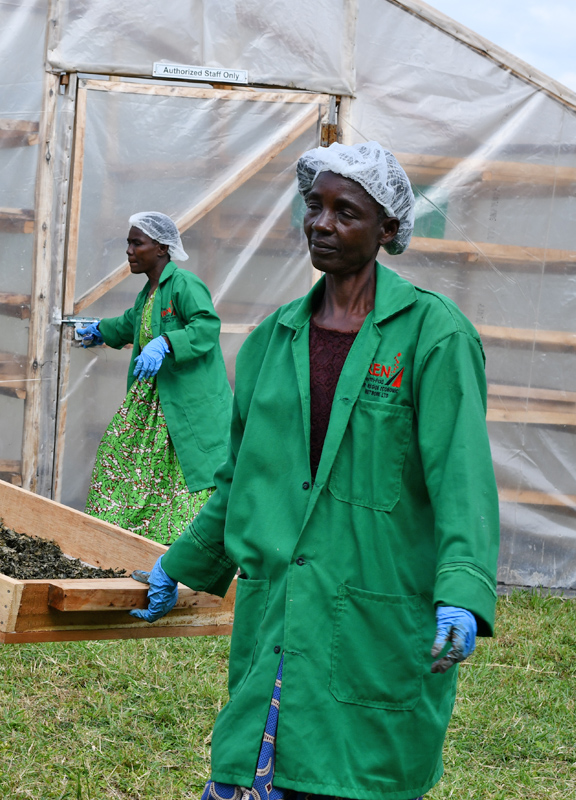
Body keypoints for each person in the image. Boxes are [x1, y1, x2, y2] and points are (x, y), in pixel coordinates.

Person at [131, 142, 499, 799]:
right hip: (277, 619)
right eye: (314, 206)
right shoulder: (276, 338)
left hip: (374, 617)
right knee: (251, 774)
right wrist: (178, 564)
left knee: (356, 776)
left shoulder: (433, 336)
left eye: (345, 211)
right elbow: (242, 481)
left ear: (388, 229)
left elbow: (461, 477)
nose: (322, 223)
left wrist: (463, 589)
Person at [74, 213, 232, 543]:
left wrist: (166, 342)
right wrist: (100, 331)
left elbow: (207, 326)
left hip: (184, 405)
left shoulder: (184, 285)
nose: (129, 251)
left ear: (161, 248)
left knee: (187, 477)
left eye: (137, 243)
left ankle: (183, 555)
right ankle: (121, 543)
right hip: (151, 408)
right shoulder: (149, 293)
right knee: (120, 460)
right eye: (128, 244)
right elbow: (132, 322)